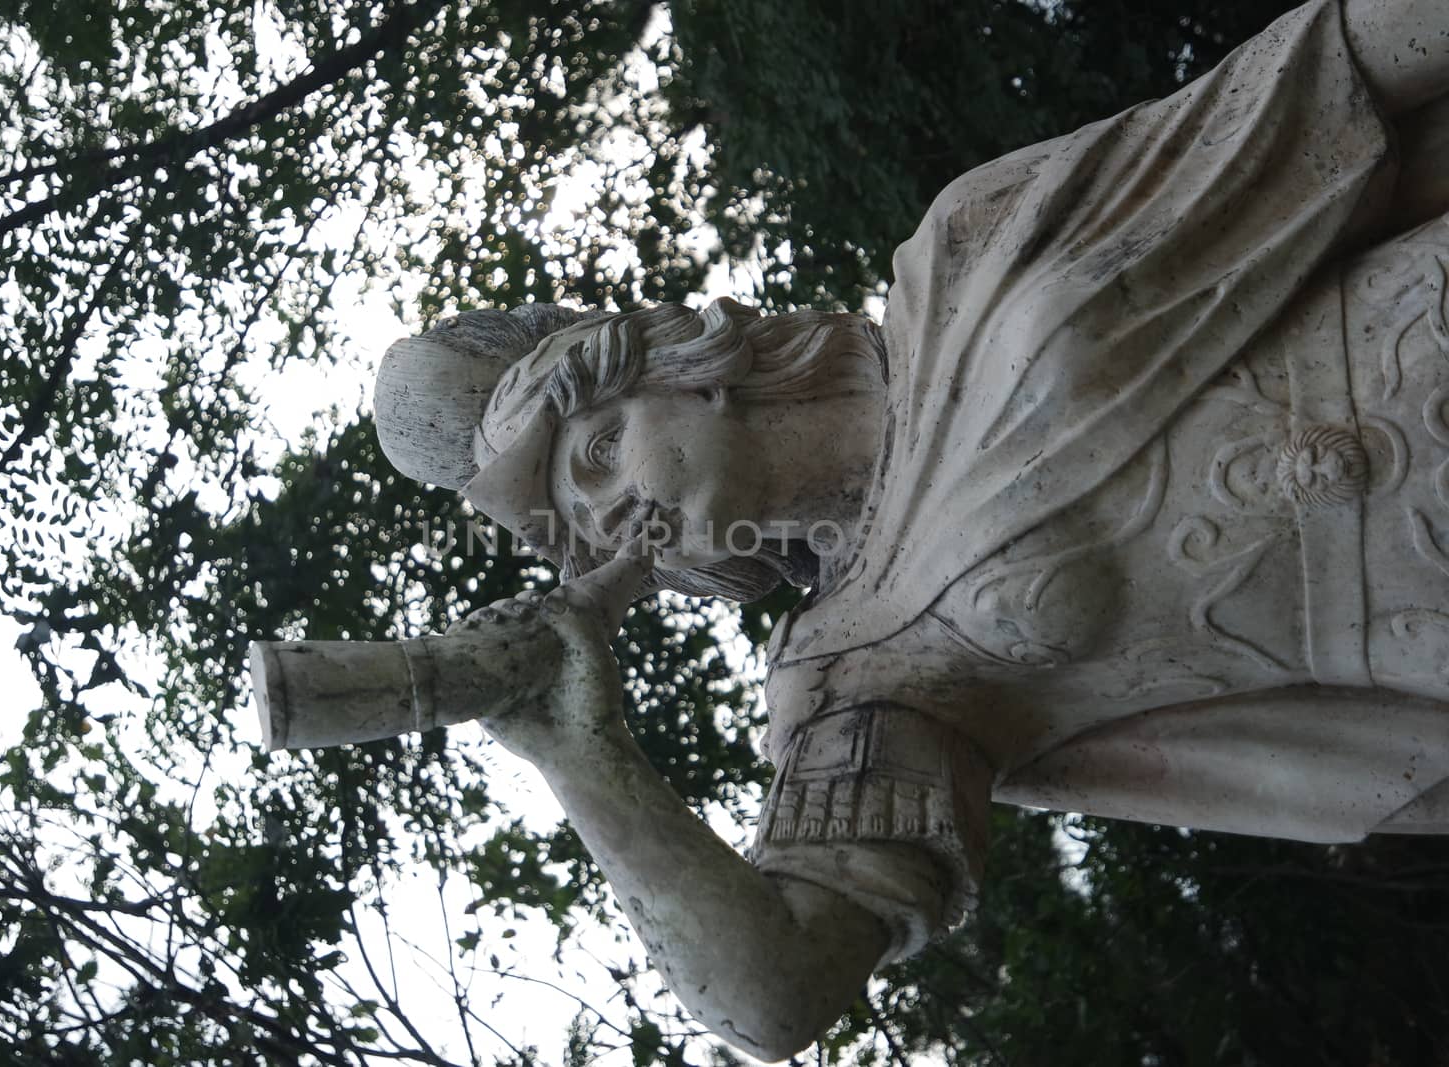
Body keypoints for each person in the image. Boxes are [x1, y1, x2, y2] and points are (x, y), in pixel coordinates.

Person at [371, 0, 1449, 1058]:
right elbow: (773, 994)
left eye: (598, 452)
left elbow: (1328, 75)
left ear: (681, 368)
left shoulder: (967, 255)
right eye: (587, 523)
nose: (617, 514)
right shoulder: (858, 672)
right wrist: (580, 751)